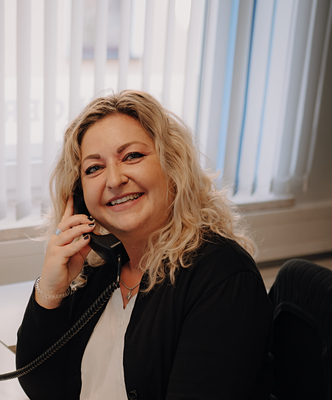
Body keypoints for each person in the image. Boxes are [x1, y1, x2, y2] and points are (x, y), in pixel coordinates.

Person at [16, 90, 273, 399]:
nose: (114, 180)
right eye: (94, 168)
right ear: (80, 195)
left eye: (132, 156)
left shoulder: (222, 277)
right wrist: (51, 289)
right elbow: (43, 389)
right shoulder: (100, 270)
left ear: (172, 165)